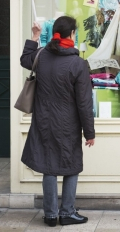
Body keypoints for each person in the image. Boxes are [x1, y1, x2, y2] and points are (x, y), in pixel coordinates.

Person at [20, 16, 95, 227]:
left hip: (43, 121)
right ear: (71, 34)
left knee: (49, 166)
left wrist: (34, 36)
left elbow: (25, 59)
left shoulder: (42, 56)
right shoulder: (78, 64)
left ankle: (51, 215)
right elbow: (84, 103)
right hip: (68, 124)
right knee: (71, 167)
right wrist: (89, 132)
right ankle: (68, 213)